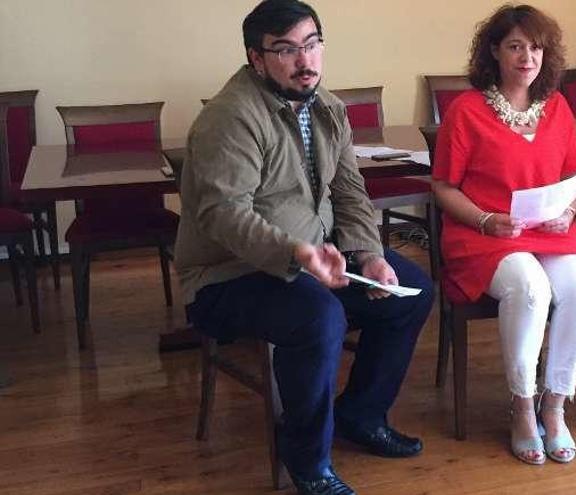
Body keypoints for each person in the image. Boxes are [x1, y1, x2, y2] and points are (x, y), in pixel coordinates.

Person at [173, 1, 434, 493]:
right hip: (226, 277)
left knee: (411, 289)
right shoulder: (230, 119)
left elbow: (349, 190)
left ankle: (361, 414)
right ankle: (308, 462)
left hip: (314, 260)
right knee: (318, 317)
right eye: (287, 50)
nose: (305, 61)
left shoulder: (326, 107)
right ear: (256, 58)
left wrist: (368, 253)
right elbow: (224, 214)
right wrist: (299, 254)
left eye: (312, 45)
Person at [431, 4, 576, 465]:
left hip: (549, 234)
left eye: (535, 47)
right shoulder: (466, 110)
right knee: (531, 288)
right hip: (484, 234)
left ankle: (554, 404)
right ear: (494, 52)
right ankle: (522, 406)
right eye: (515, 46)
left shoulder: (559, 107)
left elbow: (574, 180)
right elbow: (443, 186)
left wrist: (568, 211)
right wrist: (486, 219)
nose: (527, 57)